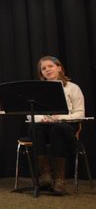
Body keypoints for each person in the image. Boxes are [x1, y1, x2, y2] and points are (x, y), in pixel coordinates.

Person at [31, 56, 85, 195]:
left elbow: (80, 113)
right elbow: (30, 113)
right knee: (35, 128)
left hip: (66, 125)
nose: (47, 70)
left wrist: (60, 117)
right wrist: (42, 118)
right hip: (46, 125)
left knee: (57, 129)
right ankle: (45, 176)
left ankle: (59, 180)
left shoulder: (72, 88)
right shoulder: (39, 90)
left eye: (50, 66)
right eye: (43, 68)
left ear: (59, 68)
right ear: (41, 73)